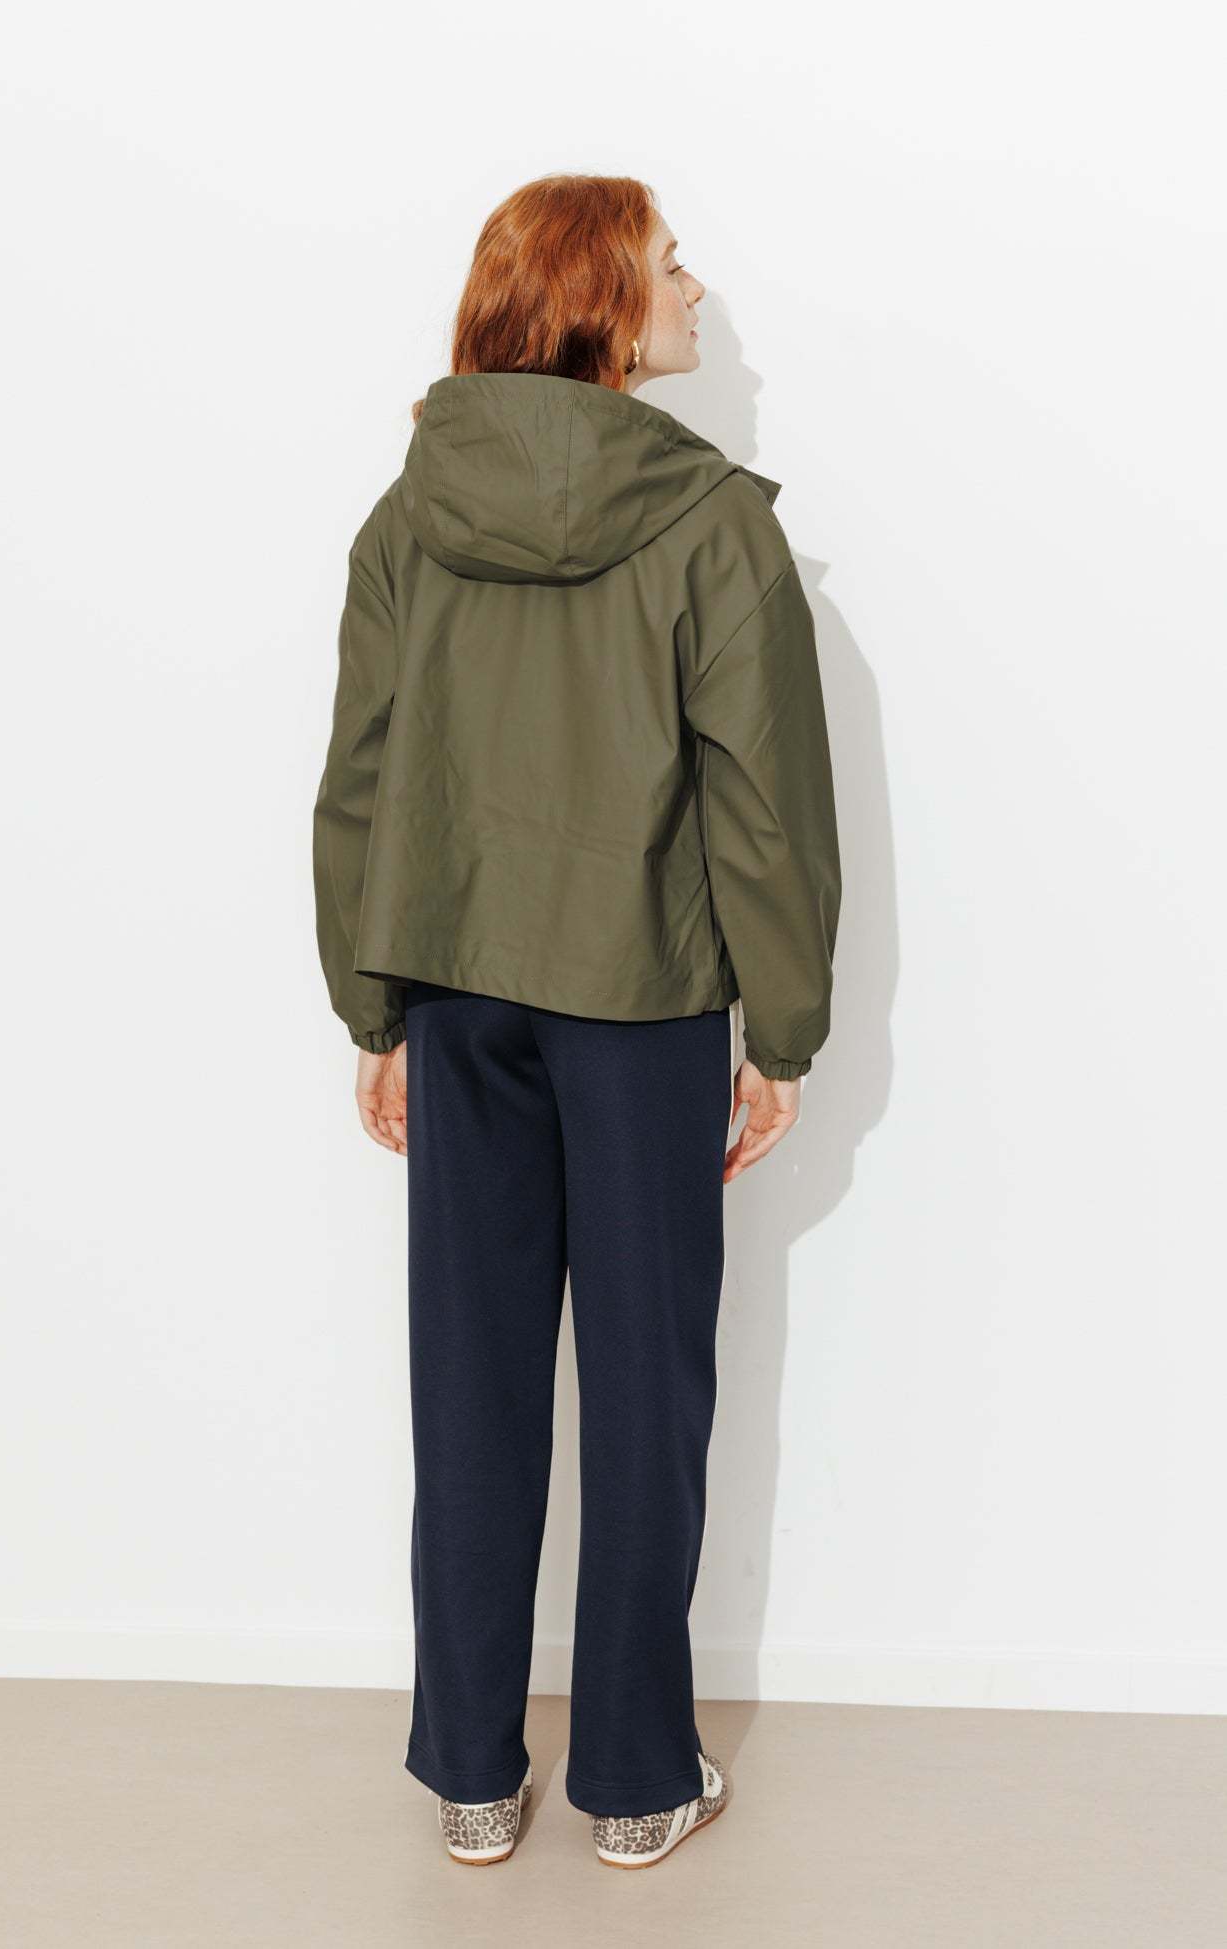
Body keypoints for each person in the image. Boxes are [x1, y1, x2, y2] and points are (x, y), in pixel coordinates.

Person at [312, 173, 841, 1870]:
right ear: (608, 306)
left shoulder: (413, 511)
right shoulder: (712, 522)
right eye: (673, 267)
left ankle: (474, 1770)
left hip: (459, 991)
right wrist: (785, 1028)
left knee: (467, 1381)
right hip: (642, 1000)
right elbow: (766, 801)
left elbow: (363, 773)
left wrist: (374, 1006)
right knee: (644, 1384)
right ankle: (632, 1771)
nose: (698, 291)